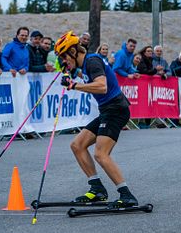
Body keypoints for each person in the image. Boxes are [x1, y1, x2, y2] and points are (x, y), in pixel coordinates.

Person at [55, 31, 139, 209]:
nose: (64, 61)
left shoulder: (92, 61)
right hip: (106, 110)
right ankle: (97, 189)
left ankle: (127, 195)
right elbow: (83, 75)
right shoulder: (84, 65)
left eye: (64, 56)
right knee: (77, 145)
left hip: (116, 109)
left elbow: (102, 86)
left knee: (101, 153)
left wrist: (75, 86)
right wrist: (70, 74)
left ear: (72, 52)